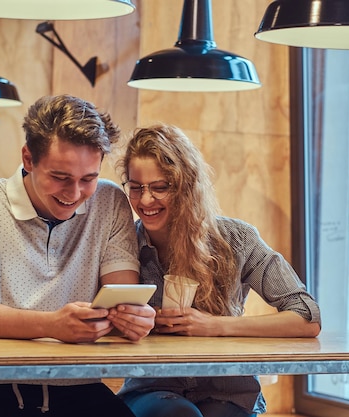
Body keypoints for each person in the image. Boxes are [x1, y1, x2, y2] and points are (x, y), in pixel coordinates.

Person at [0, 94, 156, 417]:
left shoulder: (110, 202)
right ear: (28, 159)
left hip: (78, 385)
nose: (74, 194)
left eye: (88, 179)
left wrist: (134, 319)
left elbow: (120, 302)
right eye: (60, 177)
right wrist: (52, 325)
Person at [115, 124, 321, 417]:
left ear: (187, 186)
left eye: (160, 187)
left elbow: (307, 316)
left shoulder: (236, 239)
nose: (145, 200)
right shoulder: (124, 244)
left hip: (229, 392)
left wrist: (214, 326)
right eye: (136, 187)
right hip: (152, 388)